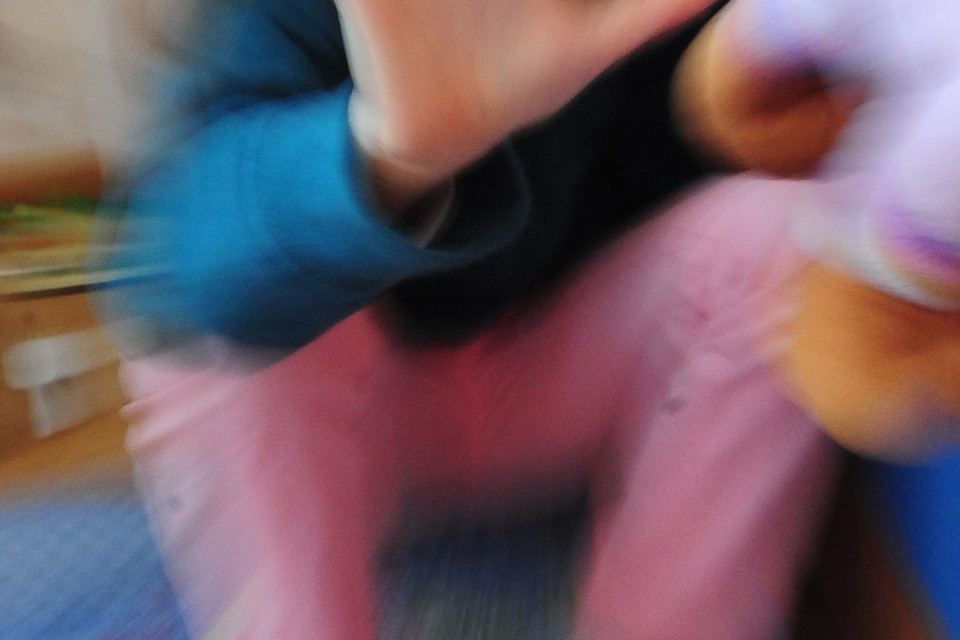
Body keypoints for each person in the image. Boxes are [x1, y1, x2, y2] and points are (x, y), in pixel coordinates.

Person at [100, 0, 843, 637]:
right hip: (352, 418)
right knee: (244, 281)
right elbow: (184, 261)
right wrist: (392, 153)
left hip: (553, 382)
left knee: (795, 230)